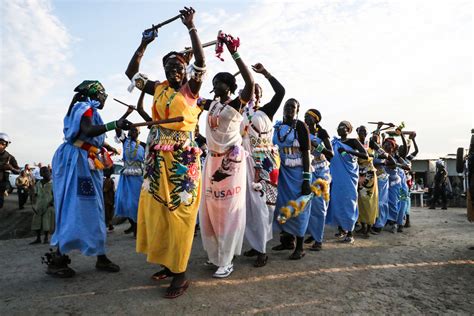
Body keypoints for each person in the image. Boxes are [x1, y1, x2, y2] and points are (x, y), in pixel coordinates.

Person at [126, 7, 206, 298]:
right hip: (155, 158)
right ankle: (168, 263)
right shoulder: (157, 88)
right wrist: (144, 43)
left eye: (178, 68)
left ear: (185, 72)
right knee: (156, 209)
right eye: (169, 68)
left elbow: (200, 61)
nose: (174, 71)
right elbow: (131, 73)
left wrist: (191, 27)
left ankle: (181, 274)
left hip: (182, 161)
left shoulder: (191, 90)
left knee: (180, 212)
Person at [43, 80, 131, 278]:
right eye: (102, 94)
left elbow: (88, 134)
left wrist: (105, 146)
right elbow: (89, 129)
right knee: (73, 207)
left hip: (85, 159)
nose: (104, 98)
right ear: (95, 94)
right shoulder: (84, 108)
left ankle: (100, 256)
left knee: (93, 207)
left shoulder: (85, 108)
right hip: (76, 162)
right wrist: (114, 124)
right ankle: (58, 259)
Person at [198, 36, 254, 278]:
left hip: (229, 164)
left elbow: (250, 82)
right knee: (210, 208)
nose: (214, 85)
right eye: (213, 82)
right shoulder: (211, 105)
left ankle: (227, 259)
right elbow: (190, 96)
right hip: (210, 161)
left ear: (228, 86)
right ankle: (215, 255)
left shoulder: (236, 106)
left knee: (228, 209)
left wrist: (234, 52)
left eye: (218, 81)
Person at [241, 63, 284, 267]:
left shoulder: (267, 110)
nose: (254, 94)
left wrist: (265, 73)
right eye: (251, 90)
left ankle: (263, 251)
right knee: (249, 205)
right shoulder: (238, 112)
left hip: (266, 162)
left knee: (265, 206)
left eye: (257, 91)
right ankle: (255, 244)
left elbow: (281, 91)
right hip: (245, 161)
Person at [272, 98, 312, 259]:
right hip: (281, 174)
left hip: (297, 174)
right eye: (287, 106)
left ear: (297, 110)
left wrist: (306, 180)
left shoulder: (301, 126)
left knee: (299, 208)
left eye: (293, 107)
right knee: (282, 206)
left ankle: (300, 247)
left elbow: (306, 153)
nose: (289, 109)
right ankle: (287, 241)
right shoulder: (278, 127)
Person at [326, 121, 368, 244]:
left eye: (343, 126)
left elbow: (364, 155)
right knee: (337, 201)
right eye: (338, 126)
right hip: (336, 176)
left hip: (349, 177)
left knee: (349, 202)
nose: (339, 128)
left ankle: (350, 232)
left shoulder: (353, 141)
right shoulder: (334, 142)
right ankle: (341, 229)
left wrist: (348, 152)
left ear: (348, 129)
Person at [115, 99, 145, 237]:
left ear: (139, 132)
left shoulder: (144, 145)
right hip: (126, 177)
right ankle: (134, 226)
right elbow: (118, 126)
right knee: (126, 202)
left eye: (135, 130)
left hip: (139, 177)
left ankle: (138, 227)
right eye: (131, 130)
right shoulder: (125, 141)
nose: (132, 132)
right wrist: (127, 113)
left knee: (138, 202)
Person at [303, 109, 333, 250]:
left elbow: (331, 154)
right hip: (308, 170)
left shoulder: (322, 133)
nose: (306, 119)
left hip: (322, 171)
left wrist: (317, 145)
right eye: (305, 116)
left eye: (309, 117)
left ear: (316, 120)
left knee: (319, 206)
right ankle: (312, 233)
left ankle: (319, 240)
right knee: (308, 204)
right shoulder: (302, 131)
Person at [355, 125, 379, 238]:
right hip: (359, 175)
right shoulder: (355, 143)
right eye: (360, 131)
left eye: (364, 131)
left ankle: (369, 227)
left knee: (370, 200)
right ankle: (363, 226)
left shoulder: (371, 143)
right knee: (360, 201)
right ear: (357, 132)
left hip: (370, 175)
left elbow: (381, 151)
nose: (362, 133)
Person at [30, 167, 55, 245]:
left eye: (46, 171)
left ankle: (46, 238)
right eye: (43, 172)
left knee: (46, 222)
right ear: (41, 174)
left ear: (49, 172)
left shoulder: (53, 183)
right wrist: (34, 204)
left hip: (48, 205)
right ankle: (38, 238)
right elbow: (36, 194)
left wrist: (51, 203)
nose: (45, 173)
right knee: (36, 221)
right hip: (39, 205)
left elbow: (56, 196)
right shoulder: (38, 183)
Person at [0, 133, 20, 209]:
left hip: (1, 187)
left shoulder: (9, 157)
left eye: (2, 143)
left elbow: (18, 171)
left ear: (6, 145)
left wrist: (11, 168)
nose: (0, 145)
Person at [103, 167, 115, 232]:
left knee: (107, 213)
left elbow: (105, 190)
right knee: (109, 212)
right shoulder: (111, 180)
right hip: (110, 199)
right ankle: (110, 225)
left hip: (107, 199)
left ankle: (110, 224)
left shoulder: (107, 181)